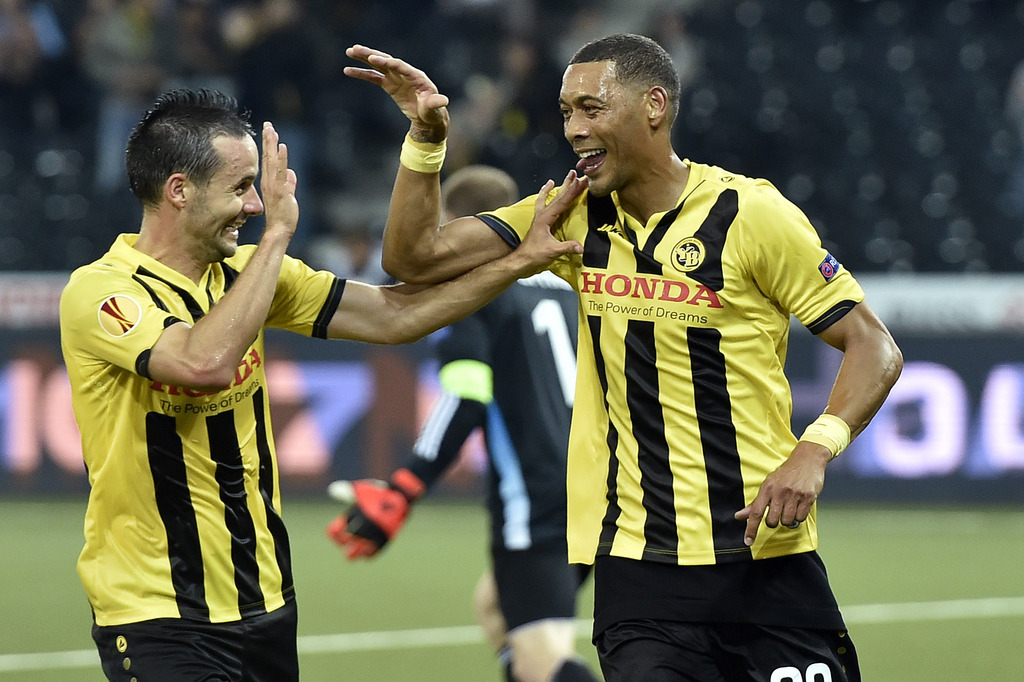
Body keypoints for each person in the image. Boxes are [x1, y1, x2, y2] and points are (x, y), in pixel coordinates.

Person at [343, 33, 904, 682]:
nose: (574, 129)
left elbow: (873, 345)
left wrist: (815, 450)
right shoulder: (572, 215)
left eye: (591, 108)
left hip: (763, 557)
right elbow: (413, 259)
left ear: (654, 107)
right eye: (564, 113)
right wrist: (427, 140)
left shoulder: (752, 215)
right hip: (638, 573)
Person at [58, 88, 586, 682]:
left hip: (267, 604)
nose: (256, 205)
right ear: (179, 190)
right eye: (240, 188)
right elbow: (201, 363)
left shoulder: (252, 275)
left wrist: (517, 262)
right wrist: (279, 237)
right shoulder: (103, 293)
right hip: (157, 614)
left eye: (257, 187)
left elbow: (395, 315)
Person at [326, 165, 600, 682]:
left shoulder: (476, 289)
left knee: (546, 659)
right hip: (602, 486)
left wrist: (404, 487)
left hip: (539, 498)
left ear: (459, 226)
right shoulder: (565, 286)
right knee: (494, 606)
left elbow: (465, 397)